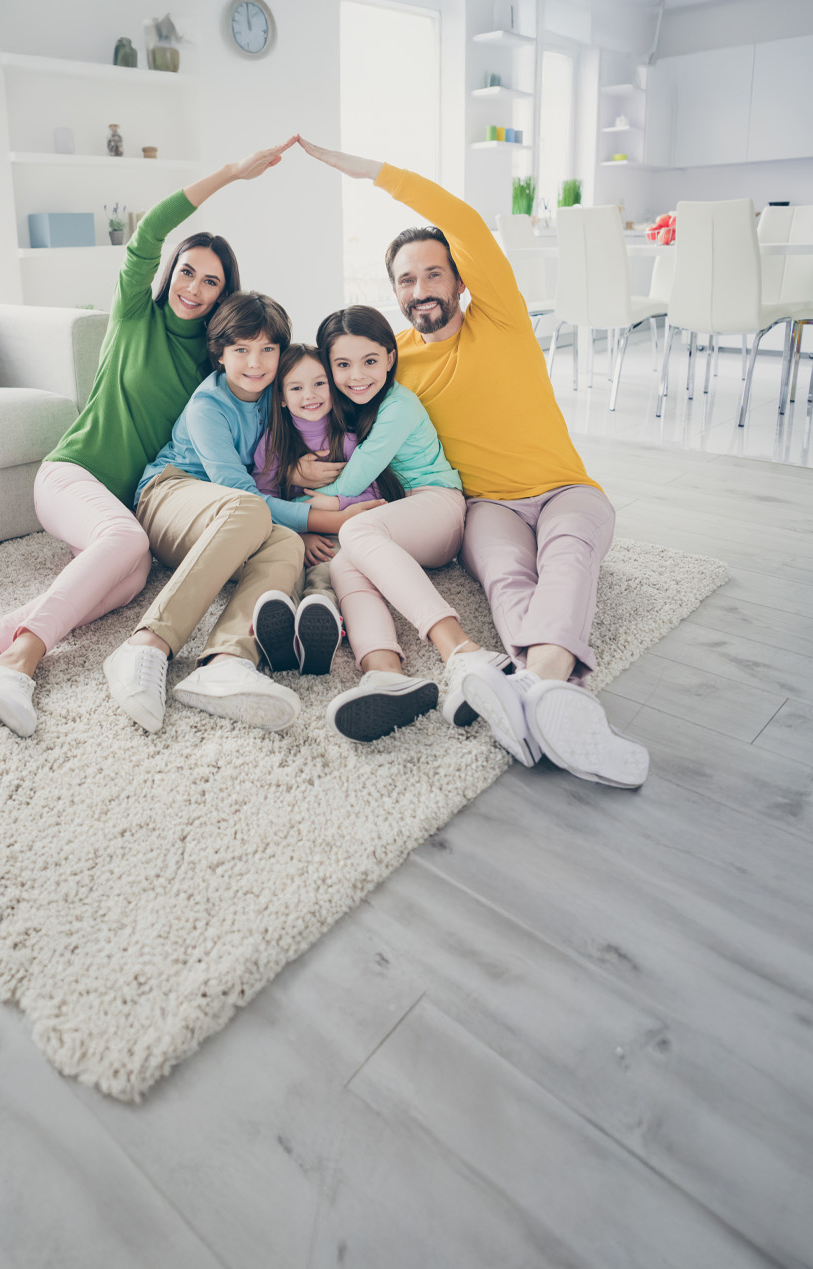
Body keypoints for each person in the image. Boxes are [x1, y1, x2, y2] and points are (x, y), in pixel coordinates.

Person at [0, 140, 294, 737]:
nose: (193, 287)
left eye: (210, 282)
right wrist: (229, 174)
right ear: (170, 273)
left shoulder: (217, 361)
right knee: (124, 541)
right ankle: (20, 662)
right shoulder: (135, 313)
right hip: (72, 474)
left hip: (128, 506)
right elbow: (148, 234)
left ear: (225, 295)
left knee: (129, 575)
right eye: (186, 271)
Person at [297, 135, 649, 787]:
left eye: (434, 273)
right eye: (407, 279)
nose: (422, 288)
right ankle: (537, 687)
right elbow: (335, 406)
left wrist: (369, 169)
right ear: (395, 291)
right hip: (486, 508)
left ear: (460, 279)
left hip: (566, 488)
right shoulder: (393, 361)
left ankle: (544, 684)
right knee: (505, 578)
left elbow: (459, 219)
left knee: (568, 556)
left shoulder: (501, 318)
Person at [103, 292, 384, 735]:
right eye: (241, 350)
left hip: (237, 517)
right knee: (253, 508)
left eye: (267, 349)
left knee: (288, 545)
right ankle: (147, 644)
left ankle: (226, 661)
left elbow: (274, 462)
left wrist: (296, 474)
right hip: (171, 495)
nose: (256, 362)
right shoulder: (208, 407)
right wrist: (333, 521)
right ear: (219, 354)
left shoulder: (278, 390)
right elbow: (240, 491)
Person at [305, 305, 508, 742]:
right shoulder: (346, 405)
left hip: (440, 508)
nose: (357, 375)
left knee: (354, 532)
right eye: (342, 365)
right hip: (402, 518)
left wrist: (306, 504)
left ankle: (462, 650)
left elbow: (357, 474)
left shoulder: (399, 405)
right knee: (344, 565)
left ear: (390, 359)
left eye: (370, 361)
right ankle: (386, 674)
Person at [249, 341, 382, 676]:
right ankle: (278, 626)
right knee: (285, 565)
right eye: (296, 387)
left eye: (319, 383)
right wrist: (303, 531)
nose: (310, 394)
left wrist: (337, 510)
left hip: (337, 532)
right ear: (280, 397)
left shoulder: (349, 439)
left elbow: (373, 493)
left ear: (333, 387)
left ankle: (321, 615)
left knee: (328, 568)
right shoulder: (272, 442)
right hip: (292, 533)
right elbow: (263, 499)